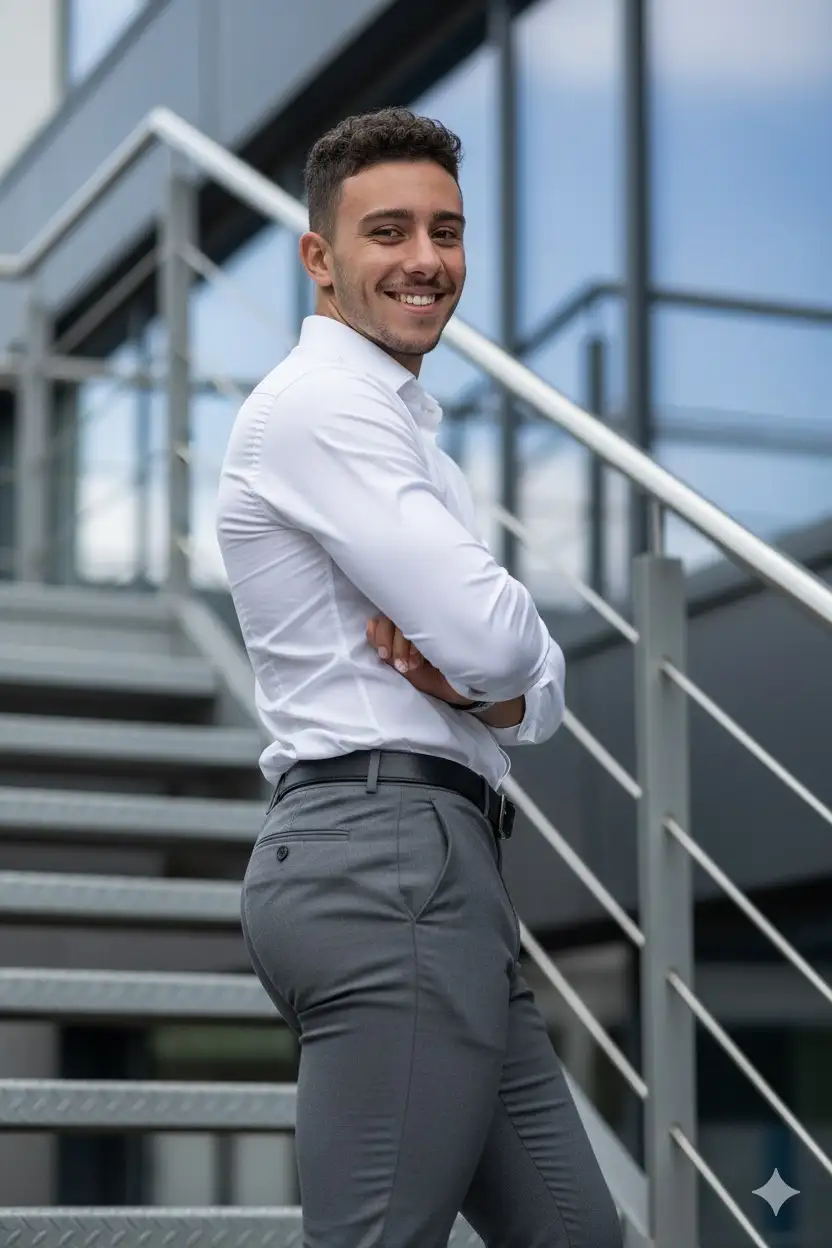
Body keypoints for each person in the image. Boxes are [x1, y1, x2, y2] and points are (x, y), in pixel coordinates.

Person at [216, 106, 622, 1248]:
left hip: (438, 865)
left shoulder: (406, 433)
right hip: (383, 858)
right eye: (387, 231)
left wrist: (487, 680)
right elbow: (498, 644)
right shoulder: (325, 407)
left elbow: (523, 689)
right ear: (319, 257)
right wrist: (494, 666)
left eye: (445, 230)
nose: (426, 259)